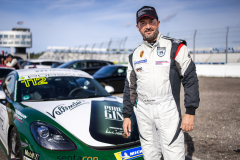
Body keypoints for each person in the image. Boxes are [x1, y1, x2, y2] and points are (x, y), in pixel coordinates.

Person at [122, 6, 200, 160]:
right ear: (138, 27)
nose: (148, 26)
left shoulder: (176, 47)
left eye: (151, 21)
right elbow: (129, 87)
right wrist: (126, 115)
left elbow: (190, 79)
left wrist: (190, 112)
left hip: (167, 108)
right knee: (150, 155)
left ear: (158, 23)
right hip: (143, 110)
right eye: (143, 23)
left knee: (174, 154)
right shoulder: (134, 55)